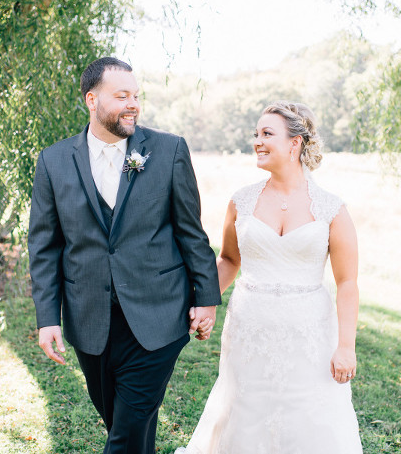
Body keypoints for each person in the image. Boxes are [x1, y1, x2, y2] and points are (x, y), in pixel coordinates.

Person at [28, 56, 221, 454]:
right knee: (123, 424)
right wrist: (48, 318)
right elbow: (45, 247)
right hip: (89, 321)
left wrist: (207, 298)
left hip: (159, 315)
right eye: (122, 96)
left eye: (136, 95)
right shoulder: (53, 161)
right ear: (91, 100)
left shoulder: (168, 151)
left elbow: (191, 231)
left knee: (125, 435)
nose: (133, 103)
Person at [177, 101, 362, 453]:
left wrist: (346, 346)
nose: (257, 141)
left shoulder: (331, 209)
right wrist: (206, 304)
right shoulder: (241, 202)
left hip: (310, 336)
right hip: (249, 331)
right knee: (245, 413)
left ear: (295, 144)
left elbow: (348, 283)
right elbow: (229, 259)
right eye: (256, 134)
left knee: (309, 418)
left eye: (267, 134)